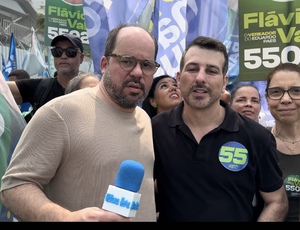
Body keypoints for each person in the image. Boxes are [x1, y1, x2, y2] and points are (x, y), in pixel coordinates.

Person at [0, 23, 159, 222]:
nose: (137, 72)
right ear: (104, 64)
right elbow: (13, 187)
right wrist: (65, 218)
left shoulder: (145, 118)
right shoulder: (60, 113)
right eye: (127, 61)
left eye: (147, 65)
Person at [152, 35, 288, 222]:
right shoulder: (155, 130)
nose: (200, 78)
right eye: (192, 69)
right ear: (178, 77)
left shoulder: (257, 136)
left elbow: (276, 201)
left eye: (211, 71)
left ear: (224, 82)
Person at [7, 33, 84, 122]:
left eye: (71, 52)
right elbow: (3, 89)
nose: (63, 56)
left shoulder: (92, 90)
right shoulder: (41, 87)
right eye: (57, 52)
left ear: (81, 58)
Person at [265, 62, 300, 222]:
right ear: (267, 99)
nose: (286, 99)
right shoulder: (256, 142)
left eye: (296, 91)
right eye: (276, 92)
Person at [229, 83, 264, 221]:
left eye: (254, 101)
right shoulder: (217, 139)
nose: (248, 104)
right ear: (230, 105)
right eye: (241, 100)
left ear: (260, 107)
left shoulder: (270, 140)